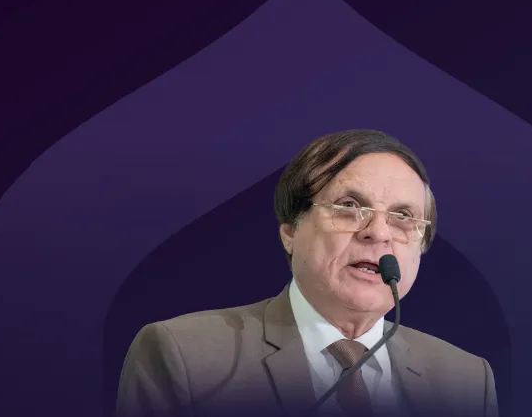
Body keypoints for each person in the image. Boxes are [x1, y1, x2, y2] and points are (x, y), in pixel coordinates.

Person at [116, 130, 498, 417]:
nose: (379, 233)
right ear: (290, 232)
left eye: (402, 216)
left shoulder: (466, 379)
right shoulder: (186, 357)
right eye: (349, 206)